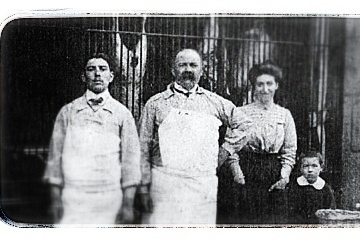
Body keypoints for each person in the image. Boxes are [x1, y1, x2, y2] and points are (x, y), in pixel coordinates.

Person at [137, 49, 252, 225]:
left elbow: (245, 125)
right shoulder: (156, 104)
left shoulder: (214, 102)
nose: (188, 69)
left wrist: (224, 152)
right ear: (173, 70)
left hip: (202, 183)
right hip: (165, 182)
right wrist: (144, 187)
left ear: (202, 70)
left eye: (193, 65)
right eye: (182, 65)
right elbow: (142, 147)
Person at [43, 53, 141, 224]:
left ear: (111, 76)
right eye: (91, 69)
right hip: (74, 197)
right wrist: (56, 200)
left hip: (110, 197)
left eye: (102, 69)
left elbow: (130, 162)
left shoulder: (123, 114)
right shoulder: (68, 112)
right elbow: (55, 159)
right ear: (83, 76)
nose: (97, 74)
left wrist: (127, 204)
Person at [221, 61, 297, 225]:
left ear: (276, 85)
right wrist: (237, 172)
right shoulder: (241, 112)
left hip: (274, 172)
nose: (265, 89)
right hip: (247, 171)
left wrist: (284, 177)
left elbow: (290, 151)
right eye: (260, 84)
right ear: (254, 87)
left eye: (269, 84)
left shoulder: (284, 115)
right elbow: (231, 147)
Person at [287, 151, 336, 224]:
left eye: (314, 166)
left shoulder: (325, 189)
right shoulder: (294, 186)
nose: (310, 170)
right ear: (300, 168)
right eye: (306, 166)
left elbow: (331, 212)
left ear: (321, 167)